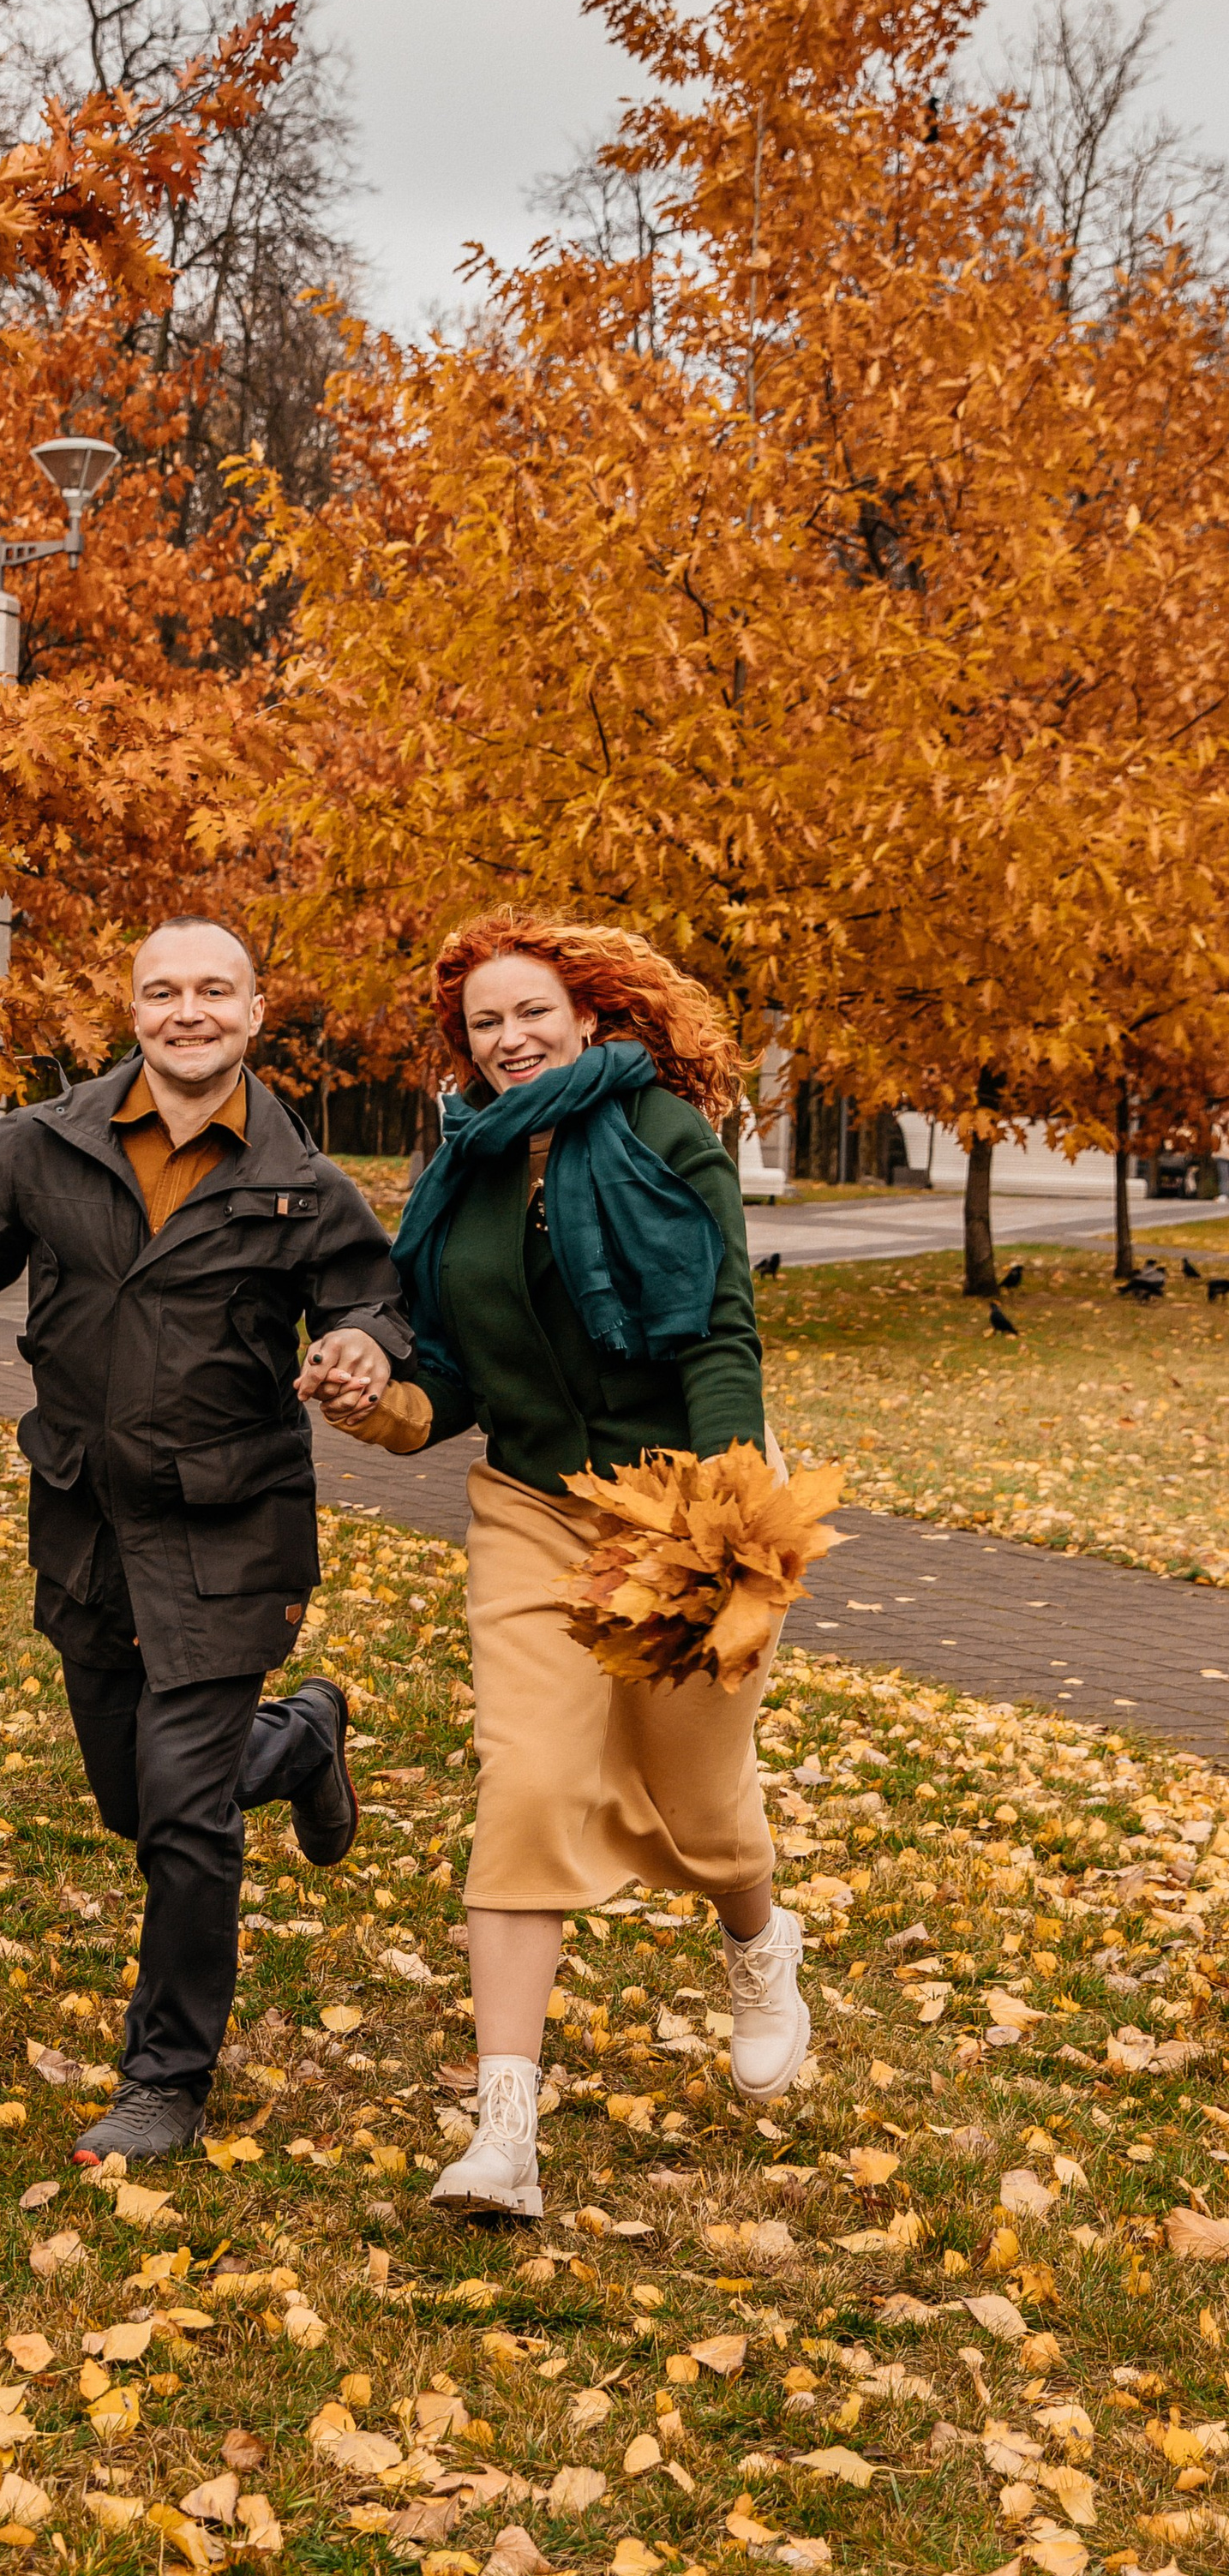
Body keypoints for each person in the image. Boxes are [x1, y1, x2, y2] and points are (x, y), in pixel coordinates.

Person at [0, 917, 413, 2161]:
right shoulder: (44, 1147)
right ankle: (299, 1741)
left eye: (214, 991)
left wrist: (363, 1346)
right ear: (132, 1013)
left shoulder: (303, 1183)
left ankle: (165, 2081)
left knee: (183, 1816)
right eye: (163, 991)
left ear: (254, 1010)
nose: (189, 1011)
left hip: (231, 1531)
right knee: (139, 1805)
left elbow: (374, 1297)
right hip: (86, 1527)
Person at [315, 908, 806, 2219]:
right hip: (532, 1504)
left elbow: (716, 1337)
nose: (510, 1037)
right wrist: (376, 1397)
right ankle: (506, 2128)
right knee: (529, 1782)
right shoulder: (462, 1170)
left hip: (687, 1498)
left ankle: (759, 1945)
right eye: (484, 1024)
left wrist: (722, 1526)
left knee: (698, 1800)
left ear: (588, 1016)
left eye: (532, 1012)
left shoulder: (663, 1135)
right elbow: (449, 1377)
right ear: (465, 1050)